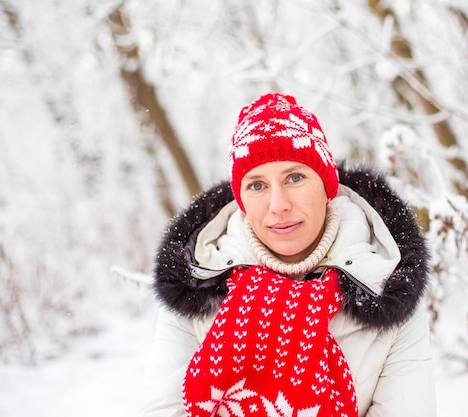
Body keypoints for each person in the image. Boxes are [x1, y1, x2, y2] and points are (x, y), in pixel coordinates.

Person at [140, 93, 436, 417]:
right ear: (240, 200)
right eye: (256, 186)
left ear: (327, 186)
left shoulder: (384, 283)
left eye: (294, 178)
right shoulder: (197, 284)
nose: (278, 204)